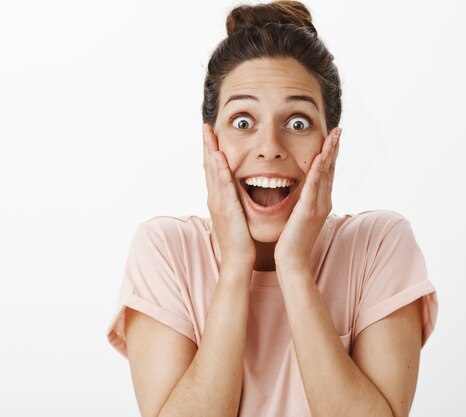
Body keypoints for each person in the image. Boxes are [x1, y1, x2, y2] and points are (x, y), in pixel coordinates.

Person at [106, 1, 439, 416]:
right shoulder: (166, 250)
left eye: (298, 122)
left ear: (330, 142)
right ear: (212, 141)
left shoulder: (379, 245)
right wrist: (235, 267)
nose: (269, 148)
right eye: (243, 121)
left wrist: (294, 268)